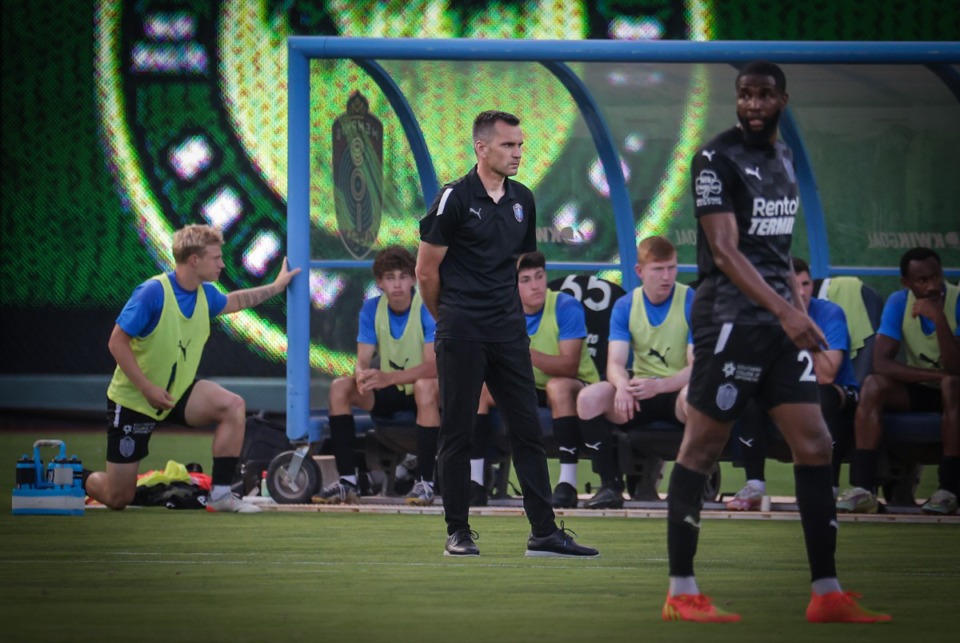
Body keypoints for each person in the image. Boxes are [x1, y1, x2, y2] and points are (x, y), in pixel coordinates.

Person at [662, 61, 890, 623]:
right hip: (731, 322)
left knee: (815, 444)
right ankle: (681, 591)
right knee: (700, 450)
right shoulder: (714, 159)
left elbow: (777, 251)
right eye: (745, 95)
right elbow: (727, 251)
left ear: (782, 100)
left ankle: (827, 593)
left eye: (764, 95)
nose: (754, 104)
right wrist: (789, 310)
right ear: (737, 101)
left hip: (777, 326)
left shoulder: (785, 159)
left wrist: (797, 304)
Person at [416, 109, 598, 558]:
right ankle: (457, 531)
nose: (518, 153)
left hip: (509, 331)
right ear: (481, 148)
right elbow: (425, 271)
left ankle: (544, 532)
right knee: (457, 433)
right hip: (461, 331)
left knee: (528, 431)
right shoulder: (453, 198)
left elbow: (513, 264)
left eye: (520, 145)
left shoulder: (523, 199)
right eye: (508, 145)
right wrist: (451, 318)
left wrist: (502, 314)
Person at [85, 224, 300, 513]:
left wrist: (277, 286)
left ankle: (221, 494)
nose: (222, 263)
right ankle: (76, 474)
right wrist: (147, 388)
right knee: (117, 497)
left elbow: (235, 301)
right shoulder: (152, 292)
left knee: (232, 405)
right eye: (216, 257)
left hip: (177, 394)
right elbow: (116, 342)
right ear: (194, 260)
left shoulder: (206, 295)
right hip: (135, 398)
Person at [311, 246, 440, 507]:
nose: (397, 285)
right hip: (389, 390)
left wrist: (387, 378)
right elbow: (362, 359)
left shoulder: (426, 306)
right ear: (379, 283)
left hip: (424, 391)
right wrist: (362, 375)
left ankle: (426, 482)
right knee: (340, 388)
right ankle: (347, 482)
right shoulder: (371, 309)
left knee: (425, 387)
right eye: (390, 278)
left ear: (413, 279)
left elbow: (433, 367)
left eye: (403, 277)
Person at [469, 251, 600, 508]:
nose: (536, 285)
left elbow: (569, 366)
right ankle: (475, 482)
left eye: (539, 277)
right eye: (526, 279)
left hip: (577, 388)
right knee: (480, 388)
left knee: (558, 386)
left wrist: (523, 351)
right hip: (525, 387)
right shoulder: (502, 312)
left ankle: (567, 484)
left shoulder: (565, 306)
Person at [728, 257, 859, 509]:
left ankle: (827, 487)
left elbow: (827, 374)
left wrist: (800, 329)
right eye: (793, 286)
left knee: (823, 395)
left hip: (838, 391)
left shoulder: (830, 313)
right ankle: (754, 486)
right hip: (790, 390)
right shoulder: (766, 316)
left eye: (806, 284)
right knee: (751, 396)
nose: (801, 292)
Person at [837, 247, 959, 515]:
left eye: (936, 277)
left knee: (953, 385)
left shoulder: (957, 300)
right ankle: (864, 489)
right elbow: (881, 363)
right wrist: (937, 376)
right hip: (925, 389)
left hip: (955, 391)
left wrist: (938, 317)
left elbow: (956, 367)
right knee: (873, 384)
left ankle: (948, 491)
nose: (932, 286)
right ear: (906, 283)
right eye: (922, 280)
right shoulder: (898, 301)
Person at [575, 235, 694, 509]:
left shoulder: (690, 300)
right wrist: (623, 386)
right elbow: (615, 363)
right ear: (640, 271)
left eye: (672, 268)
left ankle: (687, 484)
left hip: (675, 394)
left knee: (694, 396)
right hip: (640, 391)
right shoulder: (626, 305)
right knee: (589, 397)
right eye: (658, 269)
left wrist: (661, 386)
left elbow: (696, 366)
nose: (667, 277)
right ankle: (610, 486)